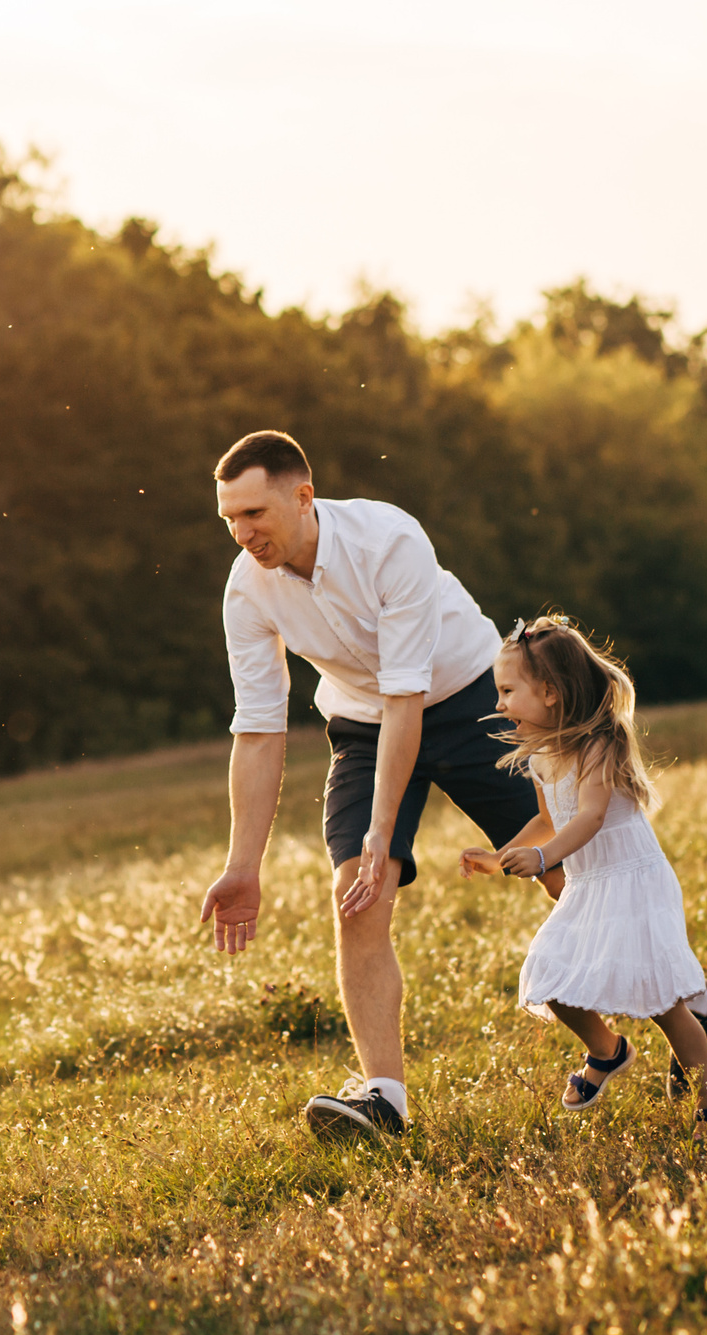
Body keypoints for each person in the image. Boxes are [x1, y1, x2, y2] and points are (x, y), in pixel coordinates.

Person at [199, 430, 573, 1140]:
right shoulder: (246, 589)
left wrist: (382, 829)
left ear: (303, 497)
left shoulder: (389, 540)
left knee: (567, 868)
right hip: (366, 724)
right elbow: (258, 728)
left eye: (255, 513)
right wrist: (243, 865)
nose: (243, 533)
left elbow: (410, 697)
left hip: (467, 698)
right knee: (356, 897)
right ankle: (384, 1100)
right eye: (230, 519)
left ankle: (684, 1004)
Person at [460, 617, 707, 1123]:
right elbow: (547, 819)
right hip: (590, 886)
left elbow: (589, 816)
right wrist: (498, 855)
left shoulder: (599, 745)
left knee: (662, 1003)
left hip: (633, 881)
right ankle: (608, 1051)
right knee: (548, 976)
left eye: (506, 691)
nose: (498, 704)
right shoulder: (542, 756)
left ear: (549, 692)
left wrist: (544, 859)